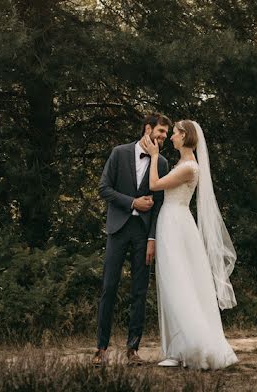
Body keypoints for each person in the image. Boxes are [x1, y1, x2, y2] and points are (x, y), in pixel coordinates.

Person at [140, 119, 238, 370]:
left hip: (175, 223)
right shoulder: (184, 164)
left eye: (174, 133)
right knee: (173, 282)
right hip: (174, 222)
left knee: (177, 282)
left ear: (185, 136)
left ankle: (193, 346)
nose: (171, 137)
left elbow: (154, 186)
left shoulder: (189, 167)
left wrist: (153, 156)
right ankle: (177, 349)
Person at [93, 113, 172, 366]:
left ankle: (132, 350)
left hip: (143, 233)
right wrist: (132, 202)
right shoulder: (119, 153)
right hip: (117, 229)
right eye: (160, 131)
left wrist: (152, 238)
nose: (163, 137)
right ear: (147, 128)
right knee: (109, 288)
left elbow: (160, 204)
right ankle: (101, 349)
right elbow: (103, 188)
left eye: (166, 134)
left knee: (140, 291)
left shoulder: (163, 164)